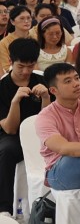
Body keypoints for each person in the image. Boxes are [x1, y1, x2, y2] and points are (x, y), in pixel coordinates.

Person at [36, 62, 80, 190]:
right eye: (68, 81)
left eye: (77, 78)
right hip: (61, 174)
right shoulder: (45, 117)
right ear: (53, 90)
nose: (76, 83)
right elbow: (64, 148)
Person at [0, 38, 48, 200]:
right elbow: (9, 129)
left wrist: (46, 97)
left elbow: (50, 120)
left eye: (31, 66)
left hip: (42, 134)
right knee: (6, 151)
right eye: (21, 66)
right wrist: (15, 102)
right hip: (14, 137)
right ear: (10, 61)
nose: (26, 71)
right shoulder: (2, 87)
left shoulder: (43, 82)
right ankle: (4, 206)